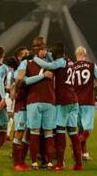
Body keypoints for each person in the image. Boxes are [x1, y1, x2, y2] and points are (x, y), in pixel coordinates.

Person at [32, 42, 83, 171]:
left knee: (60, 133)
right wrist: (44, 53)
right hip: (73, 100)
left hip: (63, 102)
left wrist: (35, 58)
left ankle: (60, 163)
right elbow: (52, 58)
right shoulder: (69, 61)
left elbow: (48, 65)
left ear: (57, 54)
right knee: (73, 133)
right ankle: (78, 164)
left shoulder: (60, 61)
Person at [20, 36, 56, 171]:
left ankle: (35, 162)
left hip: (34, 101)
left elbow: (25, 80)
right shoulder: (52, 61)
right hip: (47, 100)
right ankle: (48, 162)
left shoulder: (26, 62)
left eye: (38, 46)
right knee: (48, 133)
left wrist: (47, 54)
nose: (37, 49)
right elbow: (24, 80)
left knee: (35, 132)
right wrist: (43, 75)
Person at [73, 45, 97, 162]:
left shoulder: (72, 66)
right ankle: (75, 145)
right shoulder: (92, 66)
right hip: (88, 100)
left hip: (74, 101)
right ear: (85, 55)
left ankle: (83, 154)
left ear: (76, 55)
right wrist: (95, 89)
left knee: (80, 129)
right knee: (88, 130)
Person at [10, 47, 31, 171]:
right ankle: (17, 163)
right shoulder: (18, 71)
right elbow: (13, 91)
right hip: (21, 105)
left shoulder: (27, 68)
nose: (28, 54)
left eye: (28, 53)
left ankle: (21, 162)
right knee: (19, 132)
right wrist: (15, 90)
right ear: (19, 57)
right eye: (25, 54)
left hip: (28, 105)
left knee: (26, 135)